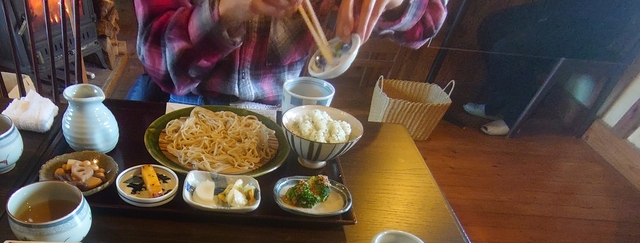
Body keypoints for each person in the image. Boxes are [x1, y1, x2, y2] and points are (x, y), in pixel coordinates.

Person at [128, 0, 448, 106]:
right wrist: (226, 10)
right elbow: (161, 67)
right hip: (183, 103)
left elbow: (426, 23)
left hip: (285, 109)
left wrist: (398, 5)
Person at [463, 0, 640, 136]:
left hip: (593, 27)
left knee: (509, 48)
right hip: (560, 10)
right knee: (492, 25)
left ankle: (516, 112)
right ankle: (500, 99)